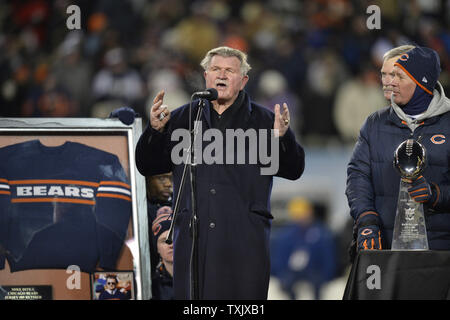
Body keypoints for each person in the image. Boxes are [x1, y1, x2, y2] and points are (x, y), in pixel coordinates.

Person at [135, 46, 305, 299]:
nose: (221, 75)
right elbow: (147, 166)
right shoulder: (182, 119)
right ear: (206, 76)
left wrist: (283, 137)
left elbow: (293, 170)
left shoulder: (264, 122)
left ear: (243, 80)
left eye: (229, 70)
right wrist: (156, 131)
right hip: (194, 242)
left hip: (243, 244)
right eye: (215, 69)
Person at [346, 46, 450, 258]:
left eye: (398, 76)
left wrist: (437, 194)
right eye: (386, 74)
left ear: (422, 82)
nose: (389, 81)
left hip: (441, 252)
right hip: (385, 248)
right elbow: (358, 177)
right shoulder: (375, 123)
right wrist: (366, 221)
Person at [151, 206, 174, 300]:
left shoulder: (198, 276)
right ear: (157, 248)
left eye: (174, 239)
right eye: (165, 241)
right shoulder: (153, 285)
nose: (171, 245)